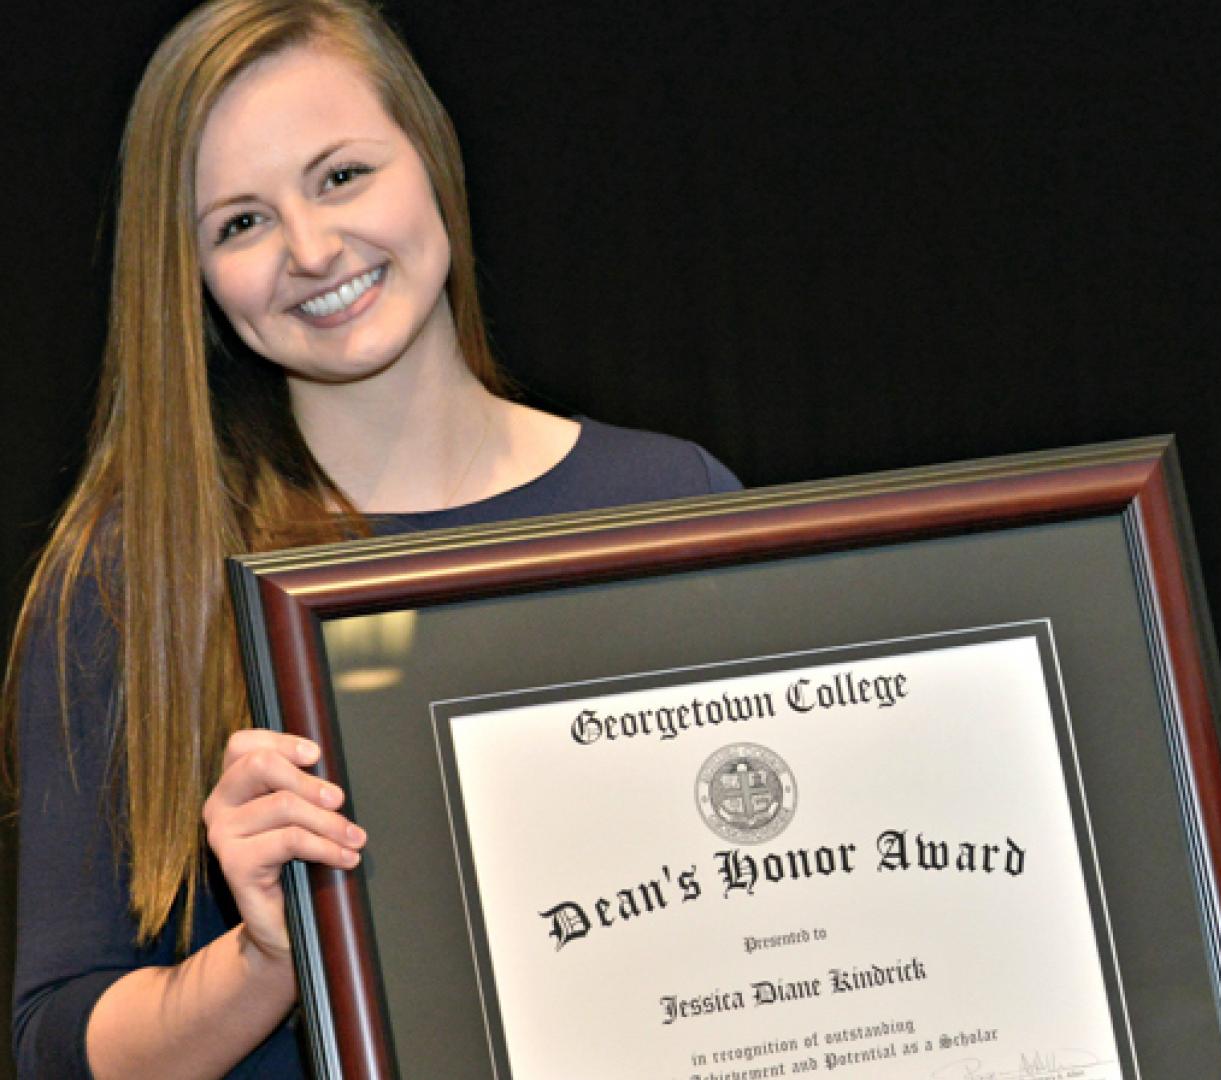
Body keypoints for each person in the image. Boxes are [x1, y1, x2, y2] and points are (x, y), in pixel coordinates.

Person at [3, 1, 739, 1075]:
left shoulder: (671, 495)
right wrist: (267, 954)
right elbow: (55, 1049)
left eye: (342, 175)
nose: (311, 248)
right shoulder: (130, 578)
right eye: (239, 223)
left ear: (431, 157)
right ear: (195, 278)